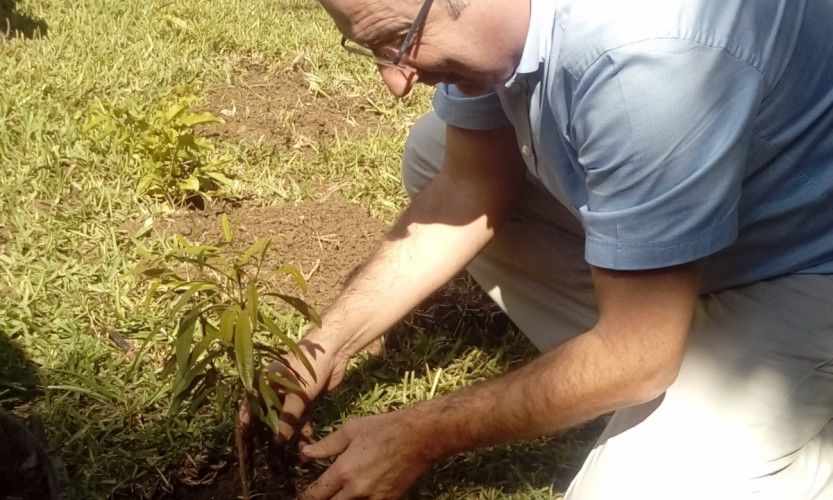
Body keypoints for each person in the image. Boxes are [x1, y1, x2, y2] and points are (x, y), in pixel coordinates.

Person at [270, 0, 833, 498]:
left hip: (807, 265)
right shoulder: (500, 29)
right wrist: (320, 349)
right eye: (371, 48)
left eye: (399, 38)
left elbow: (639, 355)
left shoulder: (647, 62)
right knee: (430, 152)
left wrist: (419, 432)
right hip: (727, 220)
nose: (395, 80)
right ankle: (673, 348)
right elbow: (469, 187)